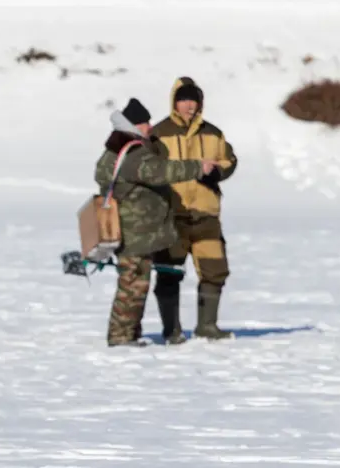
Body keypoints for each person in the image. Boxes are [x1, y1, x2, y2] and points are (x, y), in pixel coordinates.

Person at [94, 97, 216, 347]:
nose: (149, 127)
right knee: (133, 285)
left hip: (129, 227)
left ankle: (129, 332)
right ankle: (120, 336)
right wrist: (197, 167)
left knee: (134, 281)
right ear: (133, 125)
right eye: (144, 123)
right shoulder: (132, 152)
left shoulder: (116, 148)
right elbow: (161, 172)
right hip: (134, 231)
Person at [150, 76, 239, 342]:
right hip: (172, 215)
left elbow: (230, 159)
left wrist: (217, 172)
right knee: (169, 272)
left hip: (206, 214)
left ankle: (207, 326)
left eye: (193, 100)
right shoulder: (158, 133)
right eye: (184, 100)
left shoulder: (213, 132)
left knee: (215, 270)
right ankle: (171, 330)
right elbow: (149, 168)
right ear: (174, 103)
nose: (189, 105)